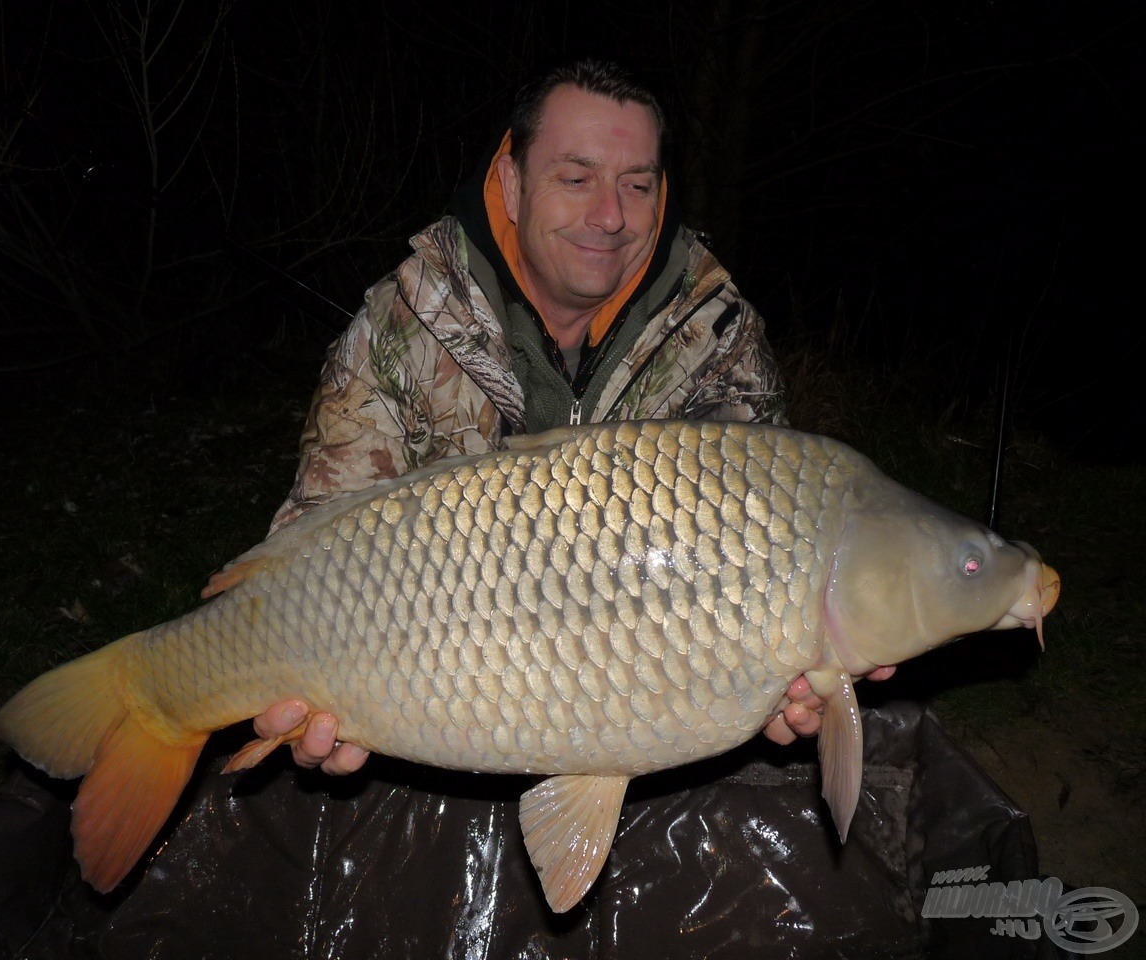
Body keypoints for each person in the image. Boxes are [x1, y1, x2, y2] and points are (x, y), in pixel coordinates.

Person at [252, 58, 894, 774]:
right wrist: (303, 690)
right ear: (512, 185)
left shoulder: (718, 339)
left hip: (638, 703)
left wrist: (795, 674)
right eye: (576, 177)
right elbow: (314, 539)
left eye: (637, 184)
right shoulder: (404, 325)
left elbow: (767, 564)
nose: (611, 216)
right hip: (430, 690)